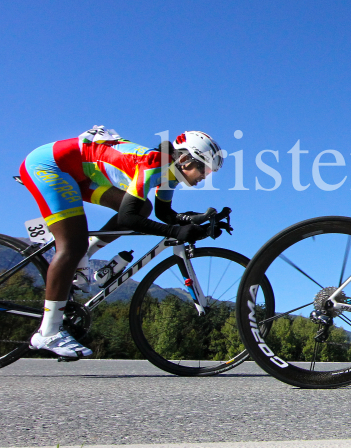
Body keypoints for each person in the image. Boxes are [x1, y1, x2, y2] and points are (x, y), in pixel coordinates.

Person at [18, 126, 224, 358]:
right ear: (185, 159)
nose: (205, 176)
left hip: (80, 173)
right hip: (50, 166)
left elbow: (164, 214)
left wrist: (201, 220)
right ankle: (48, 332)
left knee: (142, 207)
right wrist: (177, 231)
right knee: (72, 246)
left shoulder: (171, 174)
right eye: (204, 169)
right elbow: (128, 218)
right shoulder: (153, 163)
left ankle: (85, 255)